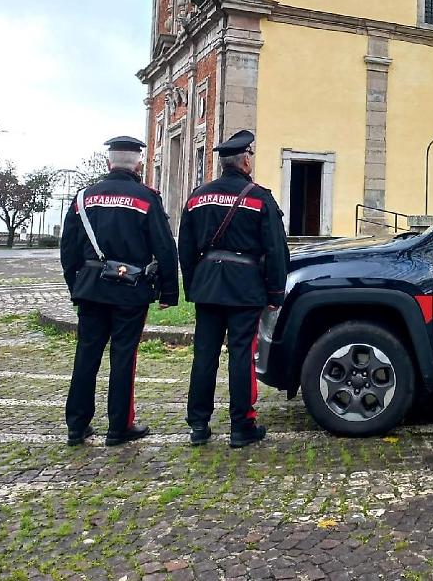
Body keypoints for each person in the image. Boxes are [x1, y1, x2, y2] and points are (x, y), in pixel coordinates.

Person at [60, 136, 180, 447]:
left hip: (91, 288)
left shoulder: (84, 197)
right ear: (138, 164)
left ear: (107, 163)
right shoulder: (146, 198)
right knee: (124, 357)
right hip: (130, 289)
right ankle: (119, 426)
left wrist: (76, 285)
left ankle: (77, 425)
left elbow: (68, 249)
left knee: (86, 355)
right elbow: (165, 247)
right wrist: (168, 292)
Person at [179, 130, 288, 448]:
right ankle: (242, 425)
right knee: (241, 355)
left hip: (208, 285)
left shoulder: (198, 196)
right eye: (249, 156)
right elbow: (276, 248)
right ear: (244, 161)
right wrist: (275, 293)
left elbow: (185, 247)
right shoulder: (259, 196)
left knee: (204, 355)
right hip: (245, 286)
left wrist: (192, 285)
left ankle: (198, 425)